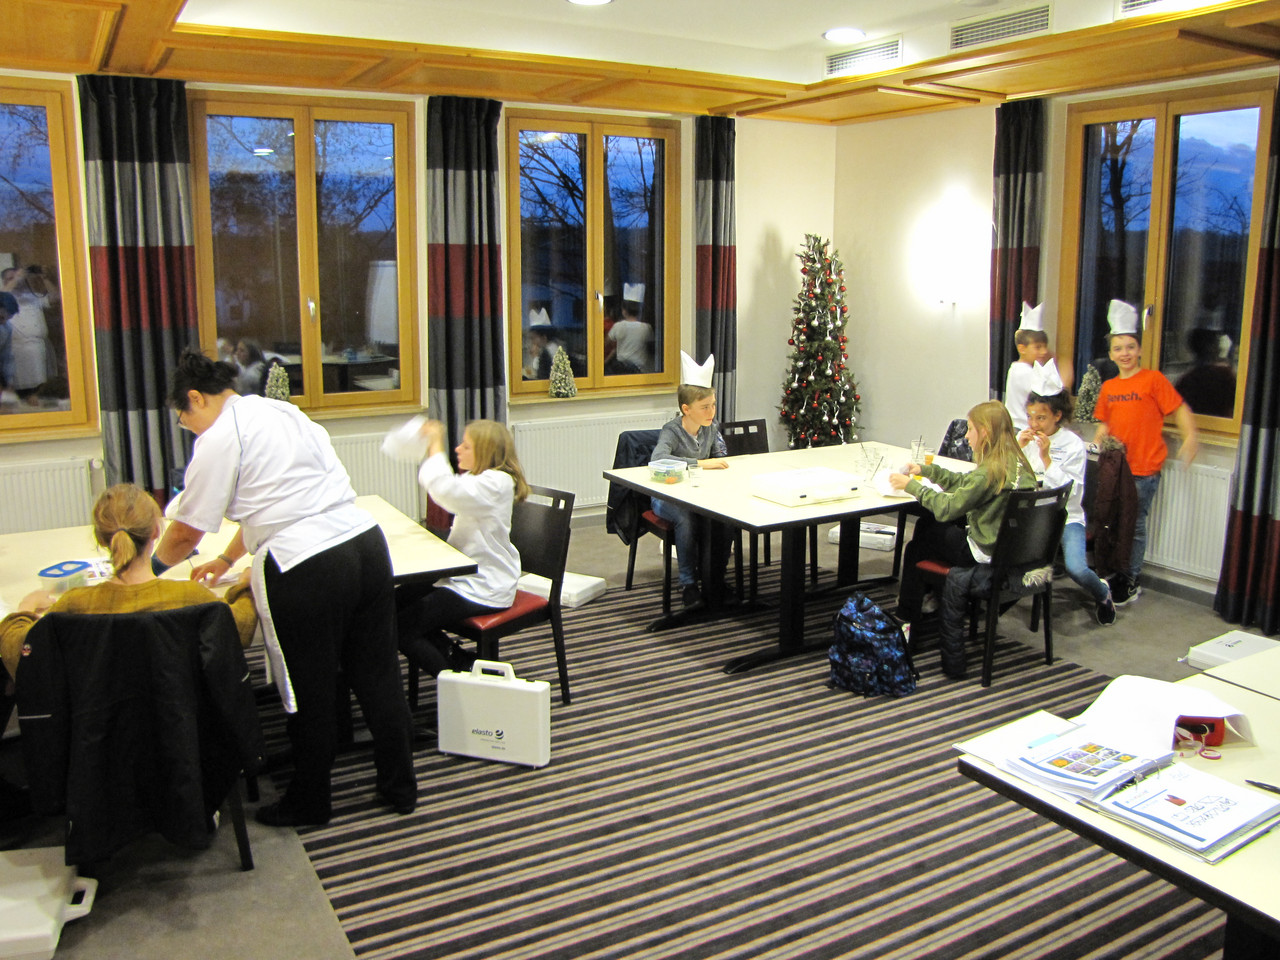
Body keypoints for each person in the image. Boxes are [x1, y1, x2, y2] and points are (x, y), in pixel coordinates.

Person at [154, 351, 416, 826]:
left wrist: (144, 568)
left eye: (183, 416)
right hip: (363, 543)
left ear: (196, 398)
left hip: (305, 563)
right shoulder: (280, 410)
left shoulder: (219, 436)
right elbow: (272, 500)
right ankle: (400, 787)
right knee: (378, 674)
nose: (185, 426)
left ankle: (310, 801)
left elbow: (185, 532)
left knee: (307, 688)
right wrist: (227, 559)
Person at [1, 483, 257, 687]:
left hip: (97, 731)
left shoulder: (75, 603)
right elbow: (241, 629)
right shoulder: (191, 596)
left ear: (100, 539)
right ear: (156, 531)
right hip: (186, 726)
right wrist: (245, 588)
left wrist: (24, 610)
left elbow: (18, 654)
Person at [891, 401, 1037, 679]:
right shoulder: (1016, 464)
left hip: (983, 552)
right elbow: (966, 484)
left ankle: (907, 617)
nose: (967, 436)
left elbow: (948, 507)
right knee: (927, 528)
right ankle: (927, 598)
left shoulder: (989, 471)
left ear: (985, 432)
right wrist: (927, 471)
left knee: (918, 543)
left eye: (970, 430)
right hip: (1010, 550)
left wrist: (912, 486)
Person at [394, 419, 530, 678]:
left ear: (485, 452)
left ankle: (457, 681)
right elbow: (449, 493)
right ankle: (460, 660)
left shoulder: (496, 483)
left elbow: (446, 490)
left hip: (484, 585)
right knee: (390, 604)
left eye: (466, 446)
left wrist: (435, 443)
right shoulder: (479, 479)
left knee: (403, 628)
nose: (457, 449)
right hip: (462, 575)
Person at [1093, 300, 1198, 607]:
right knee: (1113, 523)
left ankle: (1131, 578)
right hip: (1116, 469)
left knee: (1134, 525)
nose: (1124, 353)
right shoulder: (1109, 387)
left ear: (1139, 350)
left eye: (1130, 347)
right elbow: (1105, 423)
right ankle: (1115, 572)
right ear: (1111, 353)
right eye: (1118, 348)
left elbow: (1180, 409)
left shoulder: (1154, 380)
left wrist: (1191, 436)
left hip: (1144, 470)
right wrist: (1098, 440)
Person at [1017, 360, 1115, 626]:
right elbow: (1012, 477)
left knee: (1076, 568)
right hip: (1033, 515)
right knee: (1007, 555)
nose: (1034, 423)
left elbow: (1071, 492)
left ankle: (1103, 593)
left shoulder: (1072, 444)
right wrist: (1017, 450)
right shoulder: (1025, 439)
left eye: (1041, 418)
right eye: (1030, 417)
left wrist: (1047, 459)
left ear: (1057, 416)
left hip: (1065, 516)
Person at [650, 351, 731, 607]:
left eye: (713, 405)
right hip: (667, 496)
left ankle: (715, 577)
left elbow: (721, 456)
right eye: (704, 407)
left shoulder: (710, 428)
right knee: (684, 519)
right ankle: (688, 583)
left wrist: (717, 461)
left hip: (700, 493)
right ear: (686, 409)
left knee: (724, 518)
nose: (711, 411)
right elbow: (658, 459)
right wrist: (700, 463)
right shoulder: (672, 431)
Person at [0, 266, 59, 404]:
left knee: (40, 382)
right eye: (10, 278)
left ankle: (35, 399)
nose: (16, 281)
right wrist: (16, 278)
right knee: (18, 383)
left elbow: (56, 297)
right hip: (16, 348)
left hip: (38, 346)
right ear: (4, 281)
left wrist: (44, 278)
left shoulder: (32, 296)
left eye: (18, 278)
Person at [1004, 301, 1050, 431]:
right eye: (1038, 347)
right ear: (1022, 348)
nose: (1044, 352)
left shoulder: (1015, 368)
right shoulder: (1025, 372)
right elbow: (1046, 397)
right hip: (1023, 428)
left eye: (1045, 347)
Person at [605, 285, 653, 375]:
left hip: (621, 369)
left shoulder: (618, 326)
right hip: (641, 370)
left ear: (624, 311)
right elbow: (651, 346)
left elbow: (606, 343)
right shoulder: (646, 328)